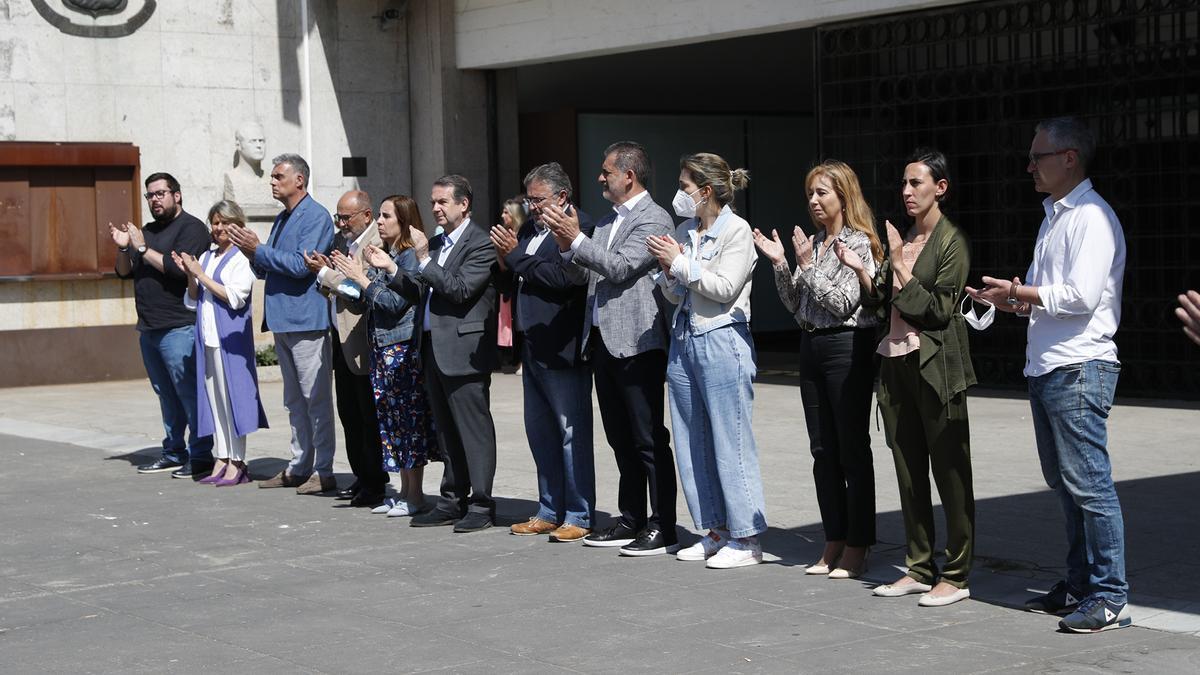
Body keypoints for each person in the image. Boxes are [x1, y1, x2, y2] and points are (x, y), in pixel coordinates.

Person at [967, 116, 1130, 632]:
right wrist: (1008, 299)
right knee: (1065, 485)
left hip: (1080, 365)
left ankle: (1108, 593)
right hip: (1049, 366)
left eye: (1038, 156)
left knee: (1090, 486)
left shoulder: (1092, 217)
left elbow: (1080, 297)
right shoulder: (1054, 217)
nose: (1029, 165)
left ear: (1069, 158)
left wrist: (1021, 294)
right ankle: (1081, 584)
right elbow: (1048, 296)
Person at [838, 149, 976, 606]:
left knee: (949, 471)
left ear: (941, 188)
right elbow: (881, 304)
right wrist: (864, 271)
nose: (906, 192)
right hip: (894, 362)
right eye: (903, 183)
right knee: (908, 469)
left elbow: (938, 311)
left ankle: (955, 573)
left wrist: (898, 265)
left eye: (916, 183)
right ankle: (919, 566)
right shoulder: (904, 238)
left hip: (934, 366)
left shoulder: (950, 240)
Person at [542, 141, 678, 557]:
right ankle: (631, 516)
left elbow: (620, 267)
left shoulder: (655, 218)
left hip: (638, 342)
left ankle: (662, 524)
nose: (600, 178)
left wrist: (576, 238)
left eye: (606, 172)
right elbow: (587, 270)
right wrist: (567, 245)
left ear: (628, 176)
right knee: (619, 437)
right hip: (602, 340)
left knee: (647, 437)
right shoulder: (606, 221)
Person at [752, 159, 882, 579]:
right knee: (822, 450)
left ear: (843, 196)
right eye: (810, 194)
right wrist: (781, 265)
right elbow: (798, 305)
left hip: (846, 347)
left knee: (851, 449)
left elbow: (844, 304)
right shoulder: (815, 243)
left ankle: (858, 543)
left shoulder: (857, 243)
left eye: (822, 192)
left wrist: (807, 267)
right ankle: (834, 538)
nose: (813, 201)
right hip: (810, 344)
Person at [647, 153, 765, 569]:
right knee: (691, 438)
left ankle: (747, 536)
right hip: (684, 337)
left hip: (721, 338)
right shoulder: (686, 230)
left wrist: (679, 262)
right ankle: (715, 529)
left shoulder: (737, 231)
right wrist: (667, 269)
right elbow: (679, 293)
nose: (679, 195)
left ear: (706, 190)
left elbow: (724, 286)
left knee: (729, 439)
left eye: (684, 187)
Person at [387, 175, 500, 533]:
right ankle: (452, 499)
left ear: (463, 204)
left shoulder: (480, 243)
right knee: (446, 431)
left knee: (473, 430)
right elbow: (419, 290)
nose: (435, 208)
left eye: (442, 202)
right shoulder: (437, 243)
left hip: (464, 350)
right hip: (433, 349)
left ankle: (481, 503)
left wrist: (422, 257)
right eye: (433, 201)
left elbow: (460, 289)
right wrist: (390, 268)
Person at [490, 162, 596, 543]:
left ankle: (580, 513)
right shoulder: (532, 230)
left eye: (537, 199)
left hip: (562, 346)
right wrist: (504, 259)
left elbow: (562, 280)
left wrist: (516, 255)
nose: (530, 206)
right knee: (540, 432)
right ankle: (549, 509)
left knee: (571, 432)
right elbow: (512, 279)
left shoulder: (578, 226)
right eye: (528, 199)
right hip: (532, 344)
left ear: (562, 197)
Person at [227, 153, 337, 496]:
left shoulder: (316, 216)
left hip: (306, 319)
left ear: (299, 180)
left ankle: (324, 469)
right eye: (272, 177)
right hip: (283, 318)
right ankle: (299, 464)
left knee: (314, 398)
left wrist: (258, 249)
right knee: (294, 399)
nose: (272, 182)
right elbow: (267, 266)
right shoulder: (282, 218)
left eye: (278, 177)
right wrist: (249, 252)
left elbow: (301, 265)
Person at [339, 195, 439, 517]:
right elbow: (368, 300)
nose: (379, 222)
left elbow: (395, 305)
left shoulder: (408, 257)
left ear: (404, 221)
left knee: (408, 422)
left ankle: (416, 495)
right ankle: (405, 492)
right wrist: (351, 281)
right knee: (391, 423)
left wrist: (362, 279)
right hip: (381, 350)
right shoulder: (387, 253)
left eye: (385, 217)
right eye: (379, 216)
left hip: (400, 349)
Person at [110, 172, 215, 478]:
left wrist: (142, 249)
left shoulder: (192, 229)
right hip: (149, 327)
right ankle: (173, 451)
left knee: (188, 393)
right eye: (150, 196)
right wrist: (123, 248)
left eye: (160, 194)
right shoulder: (148, 231)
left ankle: (201, 455)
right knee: (165, 394)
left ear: (176, 195)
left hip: (179, 326)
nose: (154, 200)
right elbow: (123, 273)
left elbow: (180, 271)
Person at [173, 200, 268, 486]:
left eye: (225, 222)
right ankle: (222, 455)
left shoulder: (242, 257)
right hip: (208, 337)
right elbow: (193, 298)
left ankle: (238, 461)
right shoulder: (207, 256)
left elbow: (235, 296)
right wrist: (191, 274)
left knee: (233, 398)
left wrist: (200, 275)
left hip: (231, 340)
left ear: (237, 224)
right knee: (214, 399)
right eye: (214, 223)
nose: (218, 228)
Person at [304, 190, 388, 508]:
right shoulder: (343, 243)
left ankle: (375, 480)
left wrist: (326, 274)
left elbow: (360, 291)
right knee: (348, 413)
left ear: (366, 215)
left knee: (367, 415)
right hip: (341, 338)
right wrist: (324, 274)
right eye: (337, 217)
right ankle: (361, 476)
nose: (340, 224)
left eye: (345, 218)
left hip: (362, 340)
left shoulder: (374, 245)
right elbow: (339, 287)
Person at [496, 197, 527, 372]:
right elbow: (502, 267)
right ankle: (514, 359)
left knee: (519, 322)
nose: (502, 215)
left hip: (520, 285)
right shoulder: (503, 234)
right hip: (507, 285)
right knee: (509, 323)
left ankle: (522, 360)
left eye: (506, 212)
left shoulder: (523, 235)